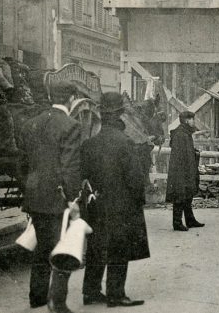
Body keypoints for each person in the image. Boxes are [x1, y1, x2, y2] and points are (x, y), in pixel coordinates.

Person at [80, 92, 149, 308]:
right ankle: (116, 294)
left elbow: (82, 176)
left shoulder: (89, 144)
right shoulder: (125, 142)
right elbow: (136, 180)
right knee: (119, 249)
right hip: (122, 206)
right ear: (120, 115)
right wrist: (139, 201)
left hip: (96, 205)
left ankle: (90, 292)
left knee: (96, 247)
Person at [19, 81, 82, 313]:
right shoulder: (71, 125)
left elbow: (23, 164)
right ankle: (57, 302)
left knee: (42, 246)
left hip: (35, 195)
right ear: (72, 99)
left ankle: (36, 296)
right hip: (58, 197)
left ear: (49, 95)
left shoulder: (30, 124)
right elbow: (70, 167)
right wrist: (73, 200)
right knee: (62, 248)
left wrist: (29, 187)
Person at [166, 111, 205, 231]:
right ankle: (177, 223)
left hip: (187, 169)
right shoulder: (180, 134)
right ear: (187, 120)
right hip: (181, 170)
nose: (194, 121)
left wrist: (194, 152)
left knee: (187, 194)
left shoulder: (185, 133)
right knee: (180, 195)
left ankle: (190, 220)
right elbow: (179, 155)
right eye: (192, 119)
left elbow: (186, 151)